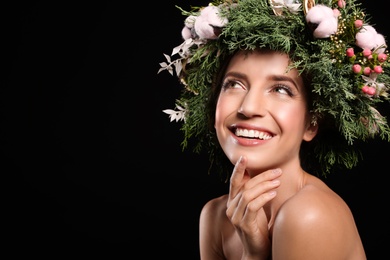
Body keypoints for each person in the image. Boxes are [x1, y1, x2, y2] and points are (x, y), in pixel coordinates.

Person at [159, 0, 390, 259]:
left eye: (281, 89)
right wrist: (253, 251)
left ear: (312, 123)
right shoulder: (214, 217)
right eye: (234, 84)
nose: (248, 107)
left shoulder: (308, 215)